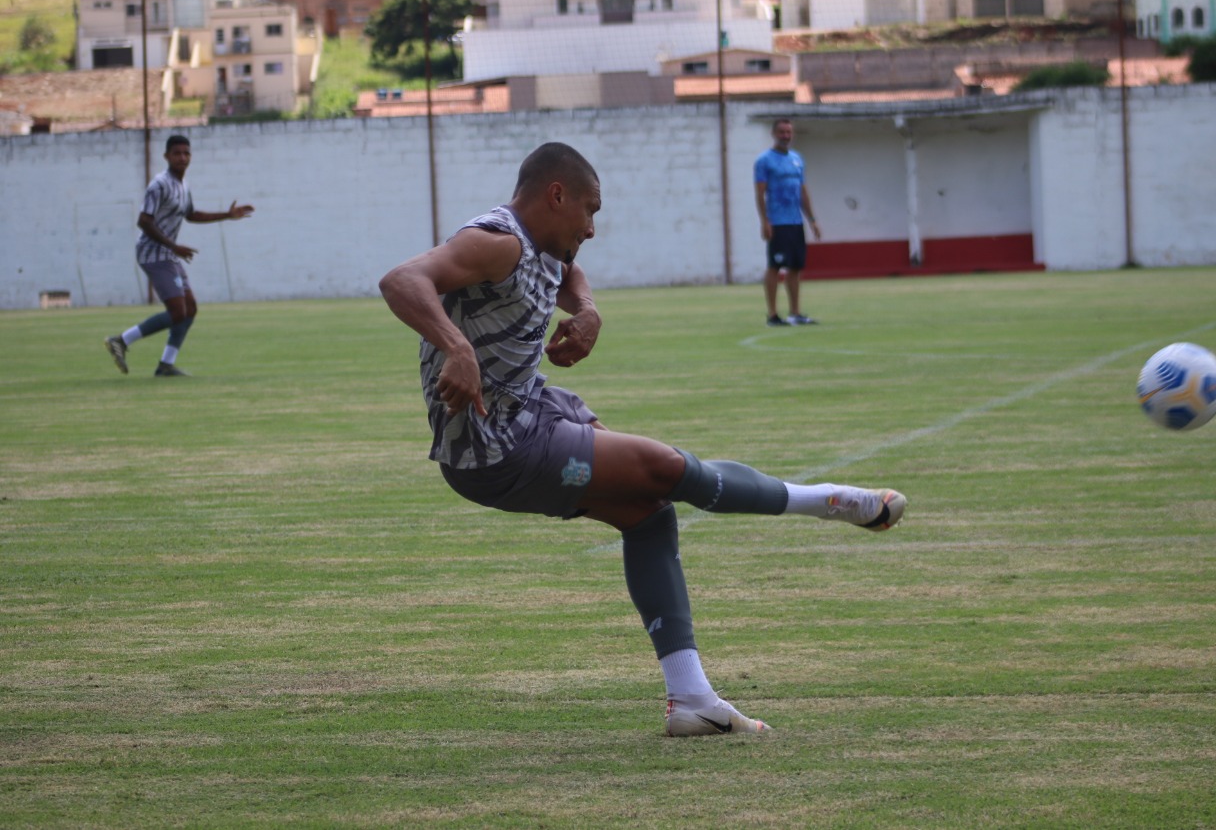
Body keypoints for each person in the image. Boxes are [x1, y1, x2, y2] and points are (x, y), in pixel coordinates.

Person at [379, 142, 906, 737]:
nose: (592, 228)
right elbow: (402, 280)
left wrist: (587, 310)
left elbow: (568, 274)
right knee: (665, 469)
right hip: (498, 447)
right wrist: (456, 347)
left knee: (649, 514)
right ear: (556, 196)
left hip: (531, 412)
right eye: (589, 210)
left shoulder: (545, 246)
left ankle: (692, 700)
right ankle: (828, 501)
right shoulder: (497, 241)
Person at [104, 135, 254, 377]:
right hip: (153, 253)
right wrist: (173, 246)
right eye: (177, 153)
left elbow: (191, 215)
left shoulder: (183, 185)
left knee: (189, 309)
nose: (182, 158)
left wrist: (227, 215)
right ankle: (121, 340)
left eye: (186, 153)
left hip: (168, 253)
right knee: (177, 312)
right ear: (166, 156)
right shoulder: (159, 185)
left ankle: (166, 365)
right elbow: (144, 221)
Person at [754, 117, 822, 327]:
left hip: (795, 221)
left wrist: (811, 219)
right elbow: (760, 193)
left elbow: (803, 192)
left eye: (788, 132)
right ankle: (773, 315)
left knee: (795, 267)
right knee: (775, 266)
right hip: (777, 222)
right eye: (782, 132)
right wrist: (765, 221)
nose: (785, 136)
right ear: (774, 134)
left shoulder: (797, 159)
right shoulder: (764, 161)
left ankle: (795, 313)